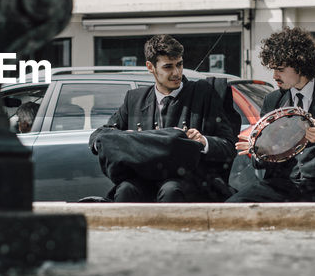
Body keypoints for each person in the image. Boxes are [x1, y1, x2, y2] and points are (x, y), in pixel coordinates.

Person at [89, 35, 239, 202]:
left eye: (179, 64)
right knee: (125, 190)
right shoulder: (134, 99)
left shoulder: (205, 94)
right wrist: (122, 138)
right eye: (168, 67)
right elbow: (99, 135)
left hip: (190, 181)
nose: (177, 73)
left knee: (171, 190)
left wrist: (204, 141)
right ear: (150, 67)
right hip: (143, 179)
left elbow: (229, 146)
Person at [228, 27, 315, 203]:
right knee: (235, 205)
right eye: (273, 69)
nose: (275, 76)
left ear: (300, 65)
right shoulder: (272, 100)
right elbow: (262, 162)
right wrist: (258, 150)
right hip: (281, 184)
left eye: (280, 69)